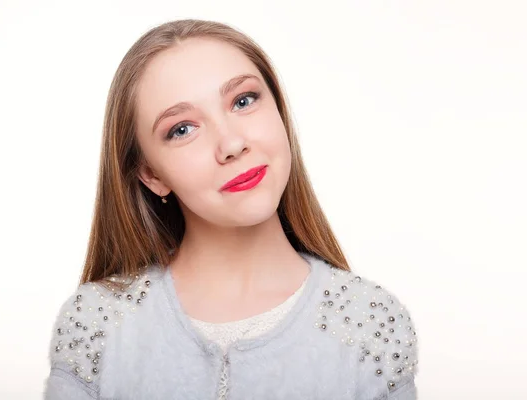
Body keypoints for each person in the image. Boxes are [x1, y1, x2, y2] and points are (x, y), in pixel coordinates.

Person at [43, 18, 419, 400]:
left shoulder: (368, 326)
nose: (231, 144)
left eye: (243, 101)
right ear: (151, 174)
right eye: (183, 129)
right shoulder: (98, 326)